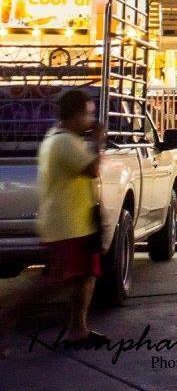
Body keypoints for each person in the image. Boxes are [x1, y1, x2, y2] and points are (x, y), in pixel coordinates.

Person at [0, 89, 106, 354]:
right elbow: (92, 169)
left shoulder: (63, 138)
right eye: (88, 114)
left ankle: (78, 330)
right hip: (68, 225)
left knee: (85, 275)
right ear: (76, 115)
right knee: (54, 282)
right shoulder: (64, 141)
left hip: (79, 222)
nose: (91, 120)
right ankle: (5, 318)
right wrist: (98, 141)